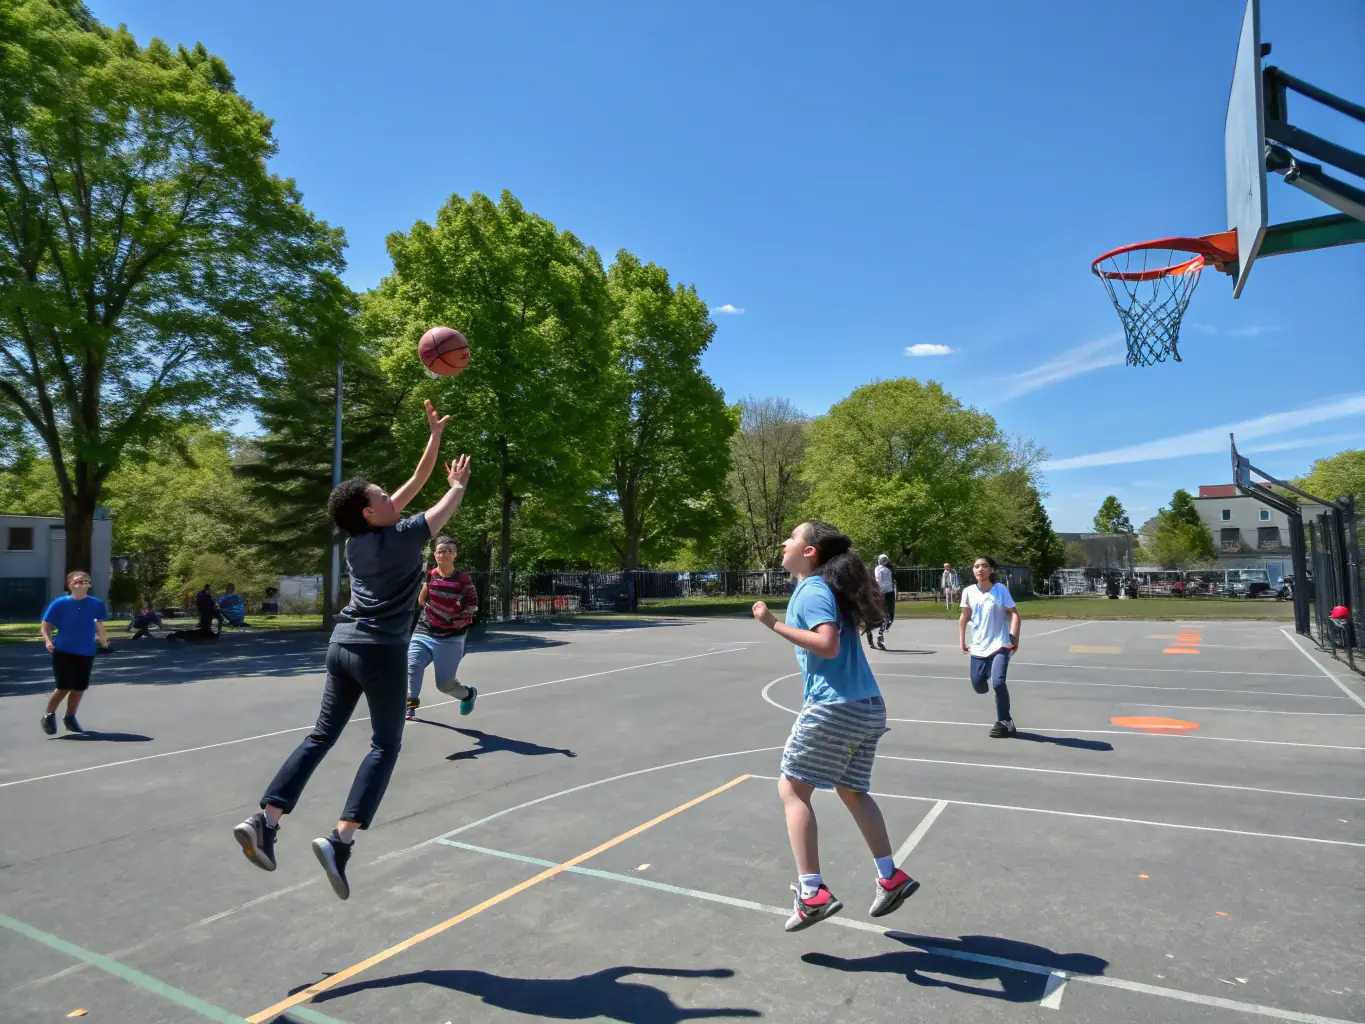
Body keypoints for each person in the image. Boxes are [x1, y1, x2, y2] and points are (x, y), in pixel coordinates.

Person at [233, 399, 471, 901]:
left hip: (342, 646)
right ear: (370, 511)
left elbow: (410, 484)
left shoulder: (356, 542)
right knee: (385, 745)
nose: (393, 496)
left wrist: (434, 438)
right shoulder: (405, 537)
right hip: (380, 653)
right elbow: (443, 504)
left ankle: (266, 820)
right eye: (383, 495)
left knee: (321, 735)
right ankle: (339, 840)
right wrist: (456, 486)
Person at [752, 521, 920, 932]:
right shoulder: (828, 589)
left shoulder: (811, 589)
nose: (783, 542)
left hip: (835, 706)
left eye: (791, 537)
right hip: (867, 706)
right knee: (852, 791)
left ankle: (812, 893)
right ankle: (890, 876)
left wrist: (772, 623)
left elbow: (828, 645)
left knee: (792, 789)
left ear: (810, 551)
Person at [406, 535, 479, 721]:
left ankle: (468, 694)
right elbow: (422, 601)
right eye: (440, 551)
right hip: (425, 630)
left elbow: (473, 603)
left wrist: (461, 618)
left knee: (445, 685)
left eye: (448, 551)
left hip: (451, 637)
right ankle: (409, 707)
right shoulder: (429, 575)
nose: (443, 554)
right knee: (412, 665)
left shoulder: (463, 579)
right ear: (435, 554)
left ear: (454, 555)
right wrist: (426, 588)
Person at [39, 570, 111, 735]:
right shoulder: (59, 603)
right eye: (77, 581)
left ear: (89, 585)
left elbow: (98, 625)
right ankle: (49, 715)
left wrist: (104, 642)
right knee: (64, 686)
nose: (81, 583)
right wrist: (48, 641)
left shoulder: (97, 604)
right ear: (70, 585)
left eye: (85, 581)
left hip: (86, 651)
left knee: (79, 687)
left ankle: (70, 717)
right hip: (63, 650)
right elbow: (46, 625)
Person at [958, 555, 1023, 738]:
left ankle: (1005, 721)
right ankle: (985, 673)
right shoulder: (969, 591)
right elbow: (964, 618)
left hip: (1000, 644)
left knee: (998, 682)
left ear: (991, 570)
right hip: (978, 646)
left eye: (984, 566)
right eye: (976, 566)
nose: (980, 569)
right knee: (978, 684)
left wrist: (1014, 638)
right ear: (973, 570)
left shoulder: (1000, 590)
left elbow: (1015, 614)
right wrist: (962, 641)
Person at [873, 554, 895, 649]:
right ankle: (882, 630)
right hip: (887, 592)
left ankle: (881, 630)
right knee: (889, 613)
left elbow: (878, 580)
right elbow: (879, 580)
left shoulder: (880, 569)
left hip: (883, 591)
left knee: (885, 613)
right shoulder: (885, 569)